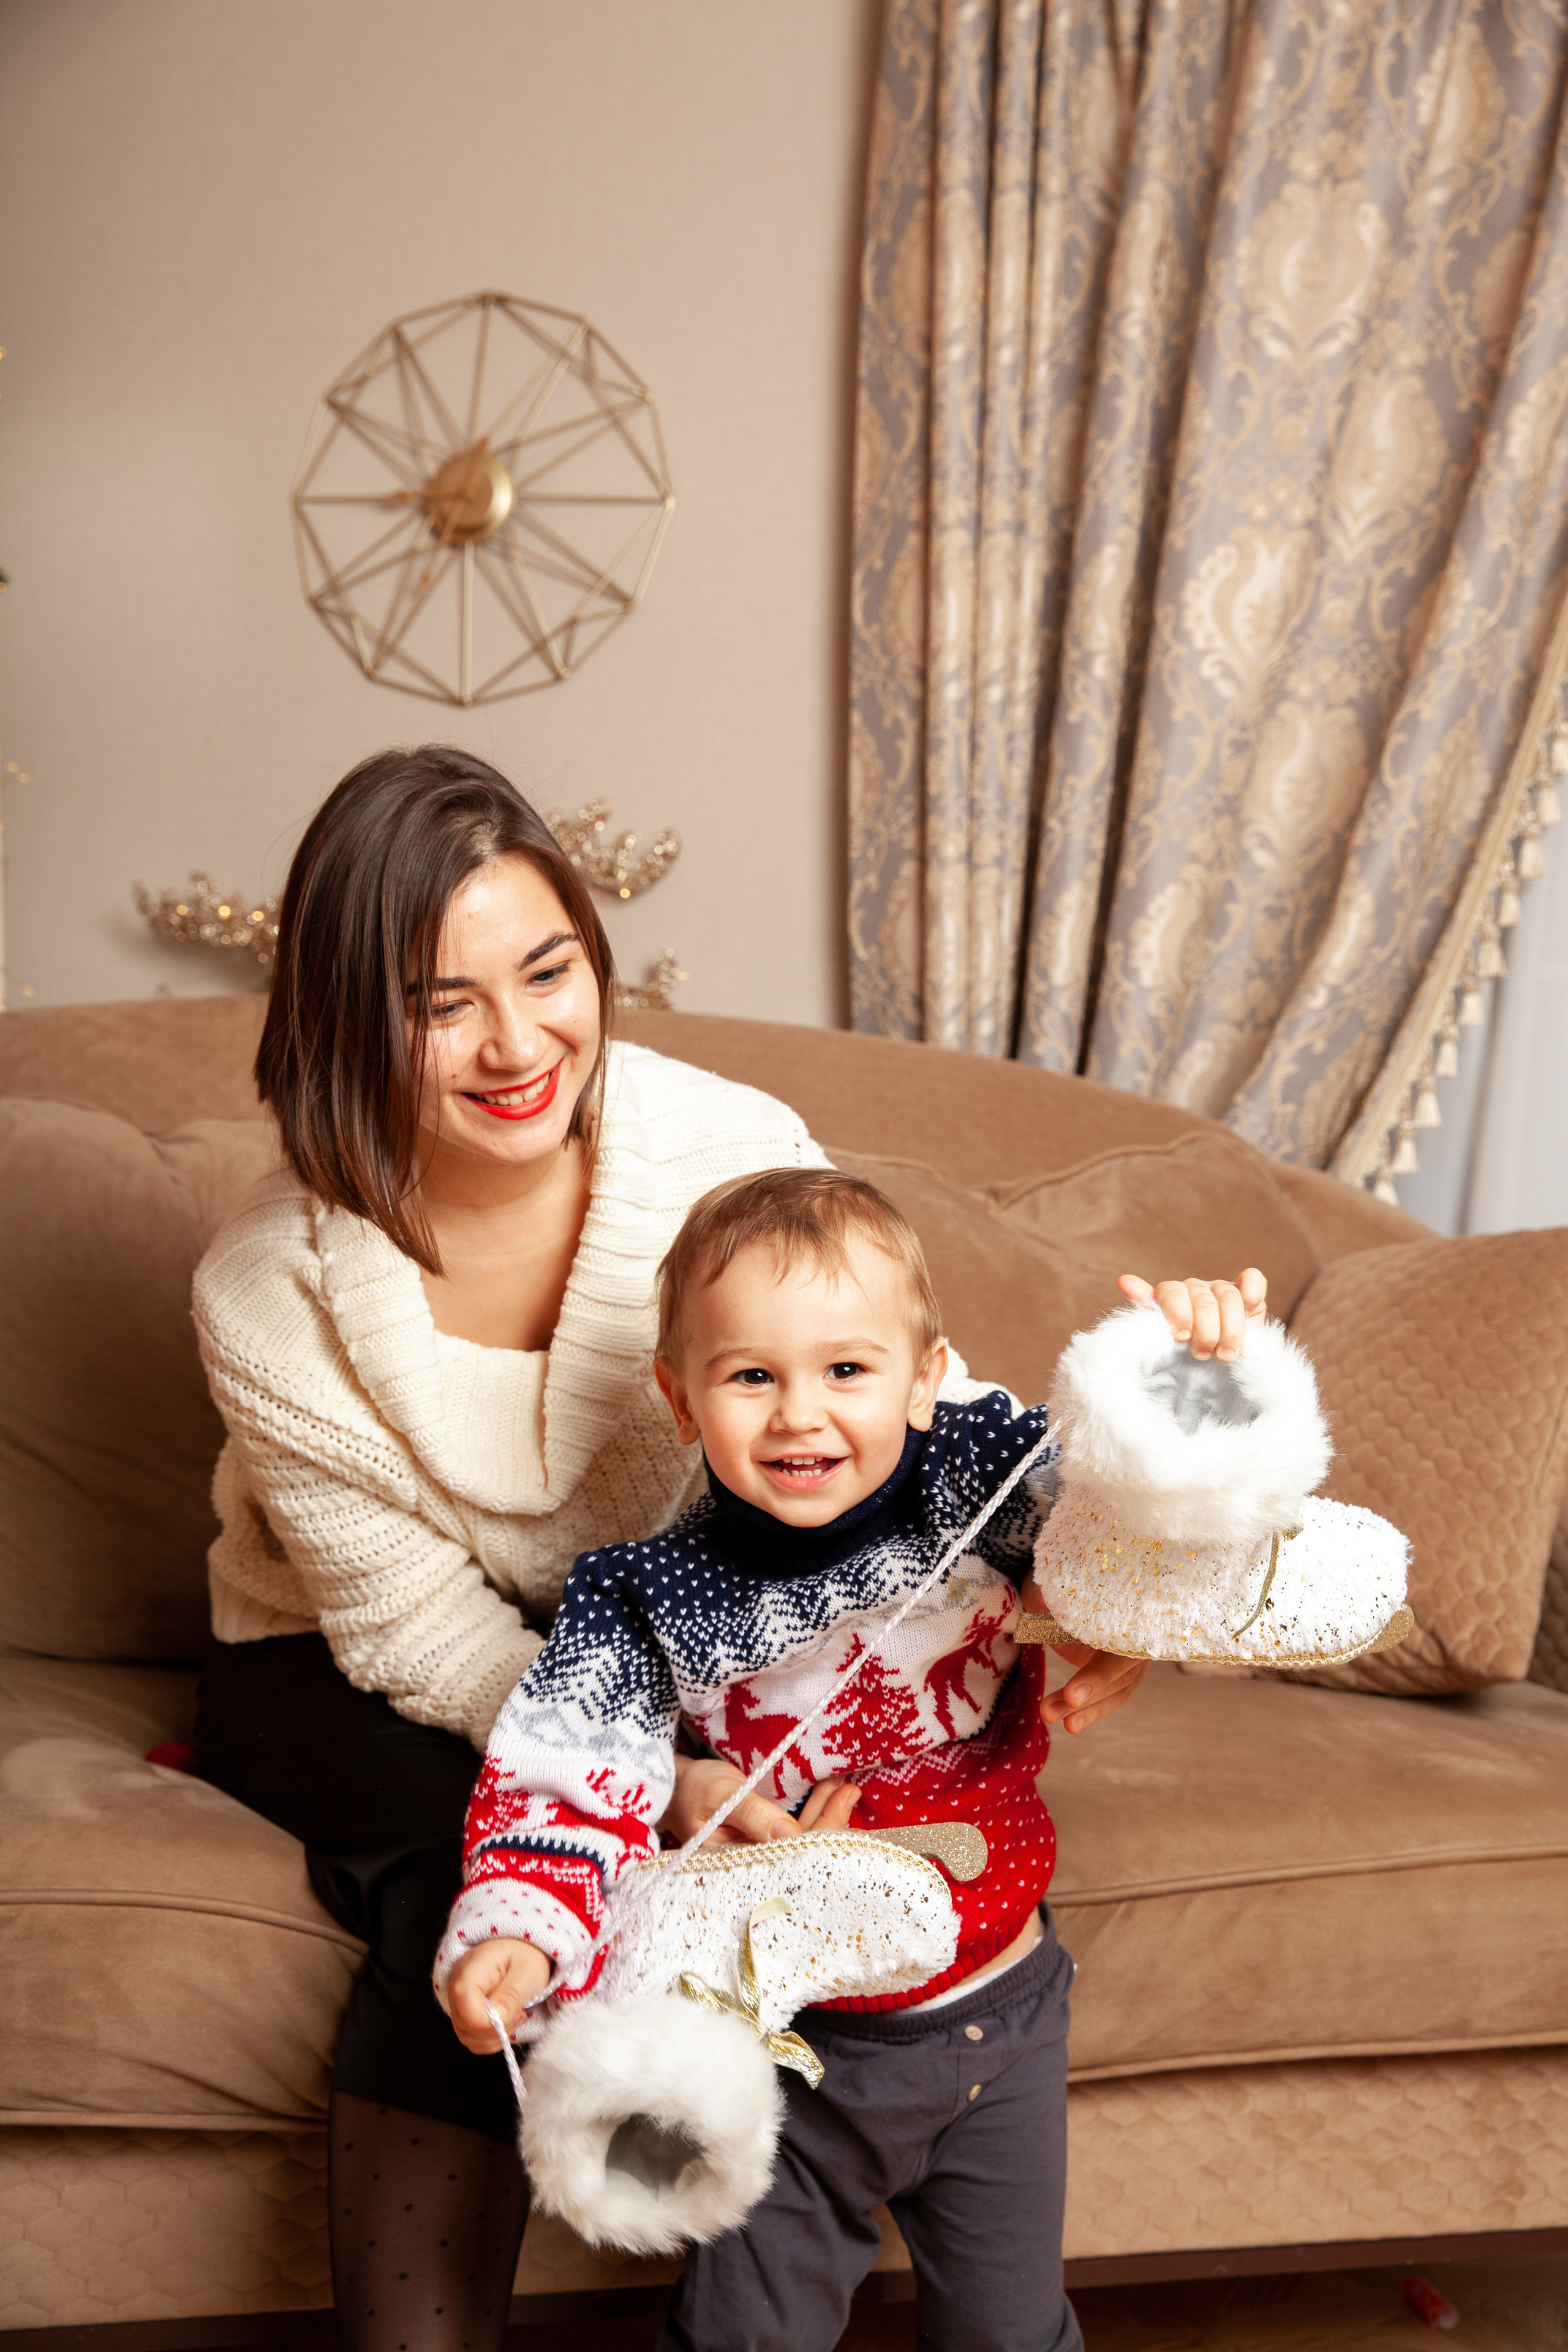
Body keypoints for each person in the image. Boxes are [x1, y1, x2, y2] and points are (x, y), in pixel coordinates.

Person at [190, 743, 1171, 2352]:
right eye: (443, 1003)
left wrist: (1094, 1582)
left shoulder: (720, 1141)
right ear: (349, 1020)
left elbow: (922, 1397)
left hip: (662, 1623)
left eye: (550, 970)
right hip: (359, 1661)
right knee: (501, 1879)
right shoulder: (268, 1285)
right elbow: (424, 1636)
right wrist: (667, 1777)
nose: (519, 1045)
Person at [441, 1168, 1270, 2352]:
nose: (798, 1414)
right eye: (750, 1376)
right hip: (789, 2047)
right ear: (680, 1399)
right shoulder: (641, 1599)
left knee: (1012, 2335)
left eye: (846, 1370)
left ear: (926, 1378)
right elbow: (564, 1780)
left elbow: (1129, 1506)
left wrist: (1191, 1379)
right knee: (744, 2340)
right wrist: (522, 1931)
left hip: (1001, 2019)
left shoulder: (976, 1480)